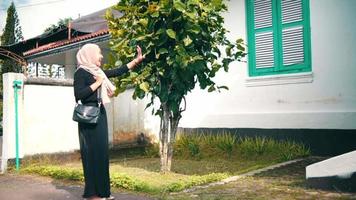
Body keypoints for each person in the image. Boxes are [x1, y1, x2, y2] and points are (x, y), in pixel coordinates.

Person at [74, 43, 144, 200]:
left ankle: (103, 192)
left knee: (101, 154)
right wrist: (98, 83)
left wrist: (136, 60)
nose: (101, 56)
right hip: (88, 117)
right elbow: (79, 94)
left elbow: (117, 71)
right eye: (99, 53)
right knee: (90, 154)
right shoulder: (81, 73)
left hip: (100, 114)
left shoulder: (98, 72)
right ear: (90, 54)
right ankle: (91, 194)